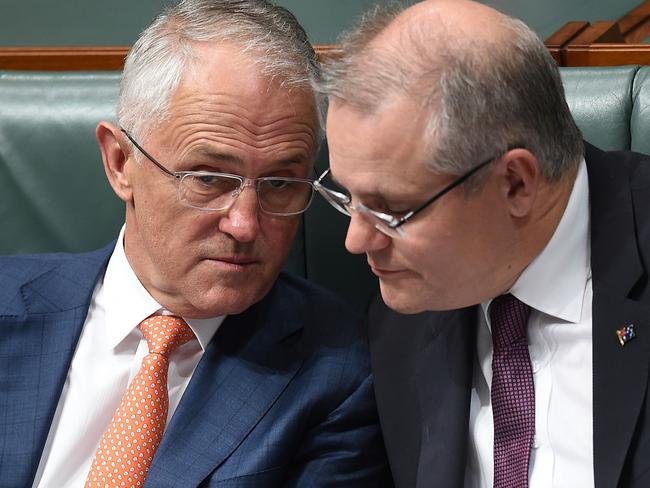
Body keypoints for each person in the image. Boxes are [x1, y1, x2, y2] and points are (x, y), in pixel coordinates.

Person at [0, 1, 392, 486]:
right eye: (209, 178)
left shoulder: (343, 372)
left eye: (278, 184)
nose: (245, 225)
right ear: (121, 162)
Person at [315, 0, 650, 487]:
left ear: (515, 182)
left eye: (389, 209)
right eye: (348, 197)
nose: (356, 239)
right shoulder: (400, 317)